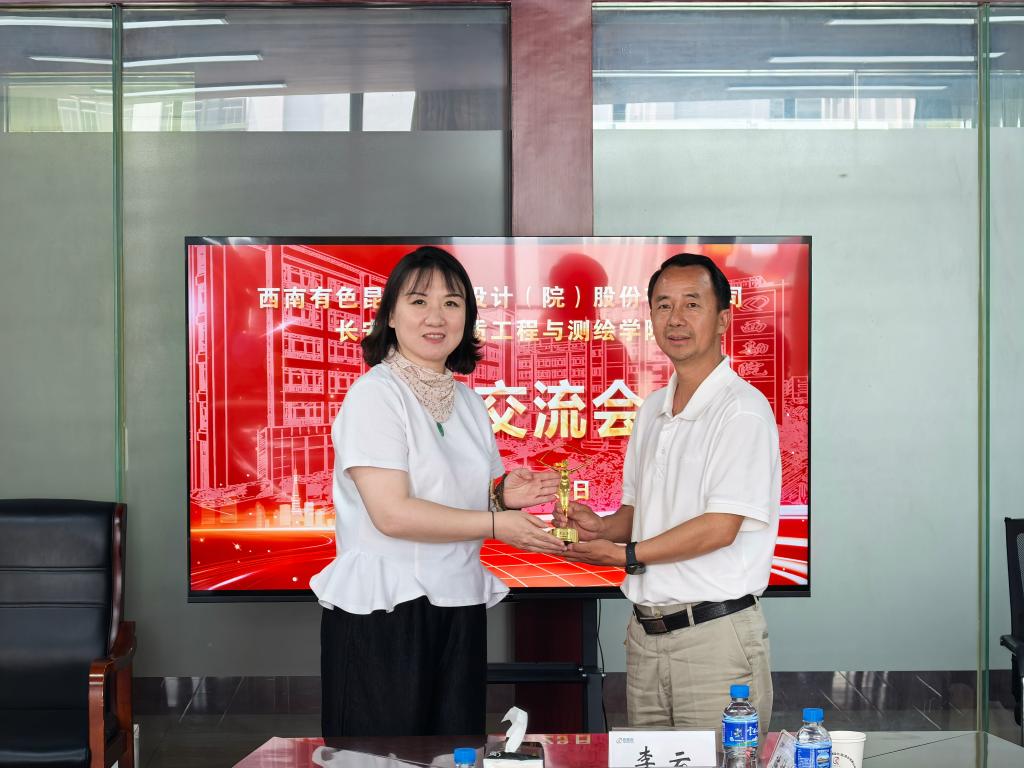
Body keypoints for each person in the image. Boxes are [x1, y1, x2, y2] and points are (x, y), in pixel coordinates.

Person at [311, 245, 565, 738]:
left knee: (455, 750)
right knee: (380, 756)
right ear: (390, 314)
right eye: (418, 301)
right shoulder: (375, 395)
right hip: (386, 610)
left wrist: (503, 496)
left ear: (467, 317)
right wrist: (496, 524)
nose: (436, 317)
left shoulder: (468, 401)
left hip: (458, 599)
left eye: (452, 303)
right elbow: (392, 514)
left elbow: (457, 495)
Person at [555, 252, 780, 734]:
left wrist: (626, 555)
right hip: (646, 636)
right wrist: (600, 527)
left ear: (723, 319)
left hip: (713, 639)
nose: (675, 319)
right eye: (663, 305)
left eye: (692, 304)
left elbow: (720, 528)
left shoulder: (741, 410)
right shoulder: (653, 408)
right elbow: (637, 513)